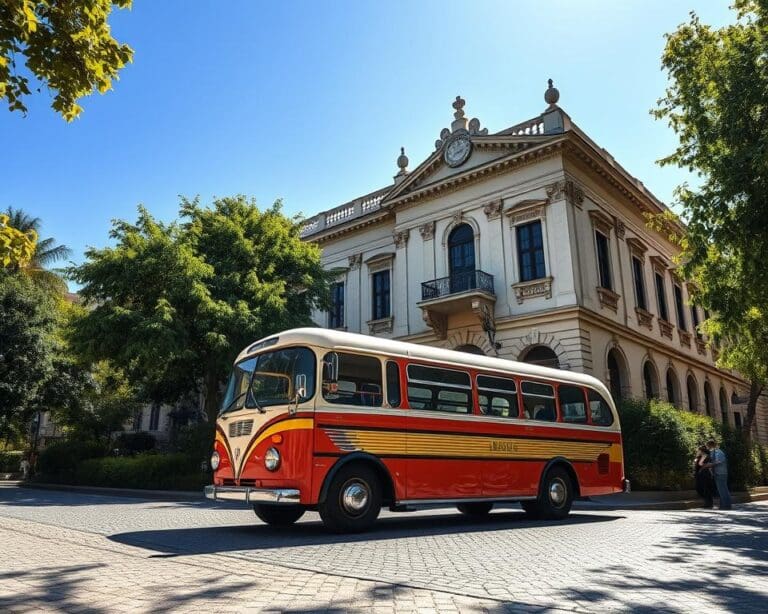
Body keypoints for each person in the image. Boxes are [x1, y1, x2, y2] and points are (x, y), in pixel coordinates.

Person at [702, 439, 732, 510]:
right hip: (718, 473)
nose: (708, 448)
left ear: (711, 445)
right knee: (721, 489)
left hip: (721, 473)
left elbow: (719, 461)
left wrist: (709, 465)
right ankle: (724, 505)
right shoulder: (715, 452)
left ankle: (726, 505)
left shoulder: (718, 452)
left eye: (708, 446)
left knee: (723, 489)